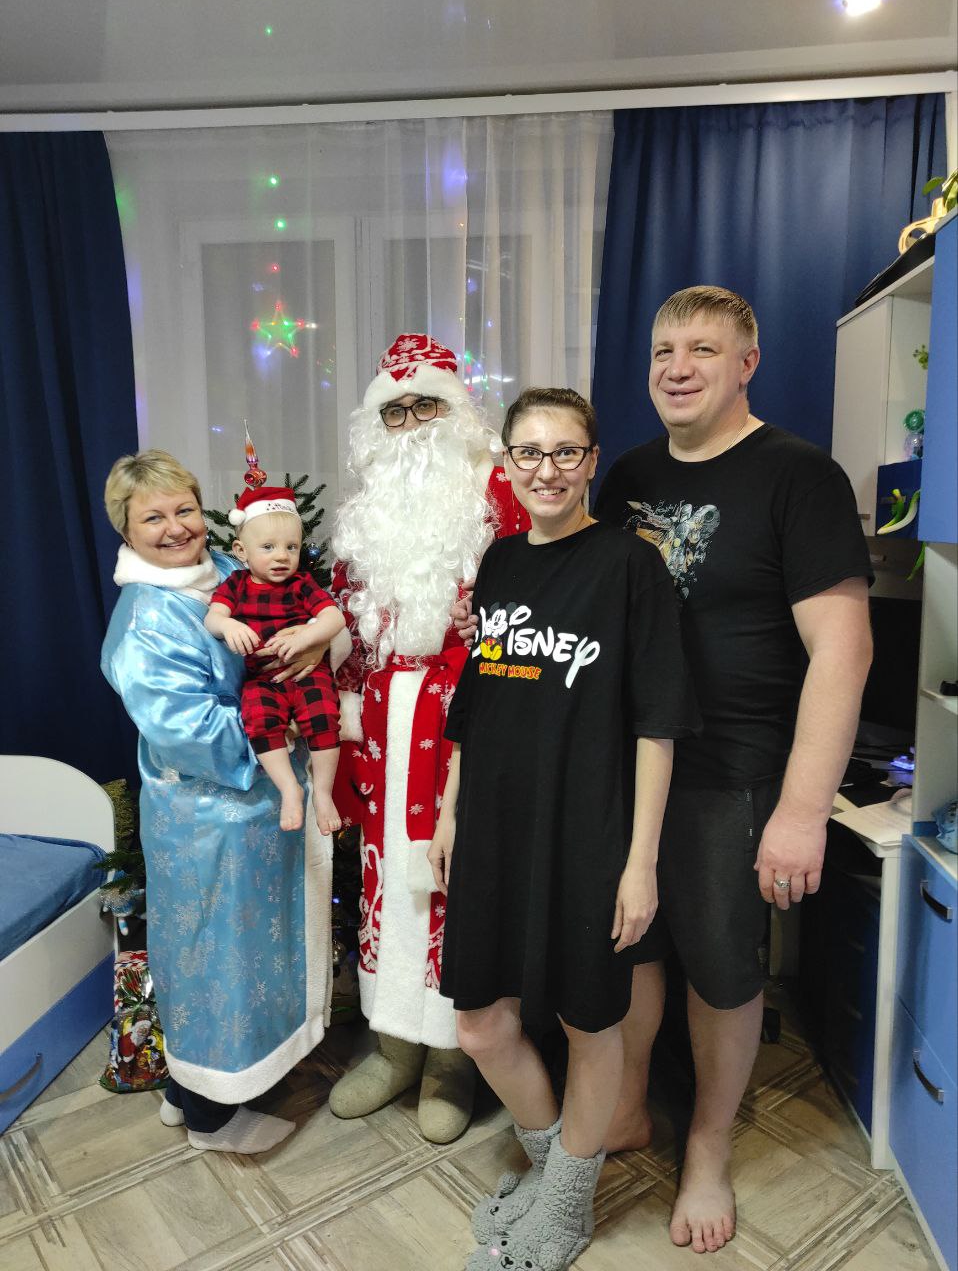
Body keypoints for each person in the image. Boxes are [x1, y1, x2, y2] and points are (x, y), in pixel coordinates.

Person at [593, 286, 874, 1254]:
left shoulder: (799, 475)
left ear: (747, 363)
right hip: (632, 764)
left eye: (703, 349)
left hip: (735, 770)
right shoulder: (627, 475)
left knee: (720, 967)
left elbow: (844, 651)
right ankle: (631, 1104)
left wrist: (801, 810)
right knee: (630, 947)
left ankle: (708, 1144)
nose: (677, 367)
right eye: (663, 349)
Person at [429, 387, 699, 1271]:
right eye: (530, 452)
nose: (547, 469)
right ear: (507, 463)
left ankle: (568, 1206)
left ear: (591, 461)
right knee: (482, 1024)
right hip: (493, 827)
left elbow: (657, 724)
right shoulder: (499, 563)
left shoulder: (629, 565)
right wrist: (449, 811)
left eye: (565, 451)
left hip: (588, 829)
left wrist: (640, 862)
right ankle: (552, 1167)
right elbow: (475, 705)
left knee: (590, 1023)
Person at [327, 333, 530, 1144]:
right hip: (383, 724)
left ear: (458, 412)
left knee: (456, 883)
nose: (412, 425)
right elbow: (348, 631)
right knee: (387, 886)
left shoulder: (500, 497)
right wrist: (345, 731)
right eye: (396, 411)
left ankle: (452, 1058)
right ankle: (393, 1047)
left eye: (427, 407)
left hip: (467, 720)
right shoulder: (368, 510)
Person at [102, 450, 333, 1154]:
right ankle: (211, 1114)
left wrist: (310, 652)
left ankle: (190, 1091)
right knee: (210, 956)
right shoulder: (144, 619)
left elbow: (293, 627)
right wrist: (284, 726)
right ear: (126, 530)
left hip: (259, 813)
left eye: (185, 510)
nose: (175, 528)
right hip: (206, 820)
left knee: (244, 955)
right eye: (153, 518)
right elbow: (184, 728)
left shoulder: (228, 570)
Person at [205, 484, 346, 836]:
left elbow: (334, 618)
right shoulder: (236, 585)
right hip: (262, 678)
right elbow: (212, 618)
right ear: (241, 550)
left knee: (324, 716)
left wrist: (306, 637)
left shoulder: (301, 585)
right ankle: (289, 789)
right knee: (259, 719)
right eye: (268, 547)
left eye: (291, 547)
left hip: (307, 673)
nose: (281, 556)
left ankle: (323, 792)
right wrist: (227, 624)